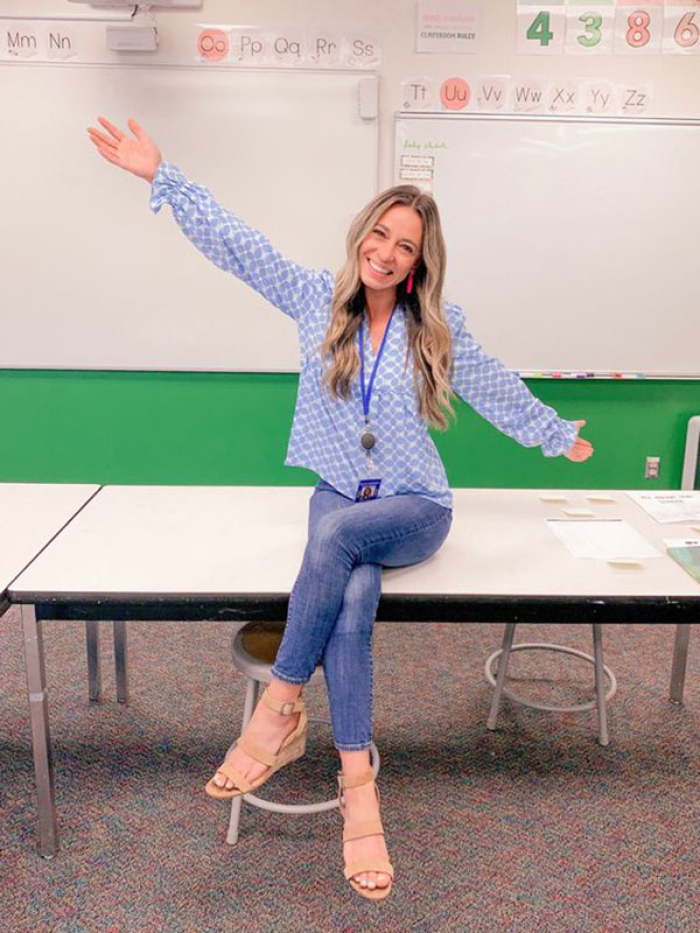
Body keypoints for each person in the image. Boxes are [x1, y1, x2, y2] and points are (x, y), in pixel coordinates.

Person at [87, 116, 594, 902]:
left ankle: (280, 708)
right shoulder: (313, 300)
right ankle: (361, 787)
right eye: (381, 234)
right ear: (363, 234)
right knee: (350, 595)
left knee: (340, 545)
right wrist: (165, 177)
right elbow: (237, 244)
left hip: (412, 505)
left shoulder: (436, 327)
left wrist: (557, 435)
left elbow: (494, 386)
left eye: (406, 246)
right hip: (336, 496)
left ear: (422, 262)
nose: (387, 253)